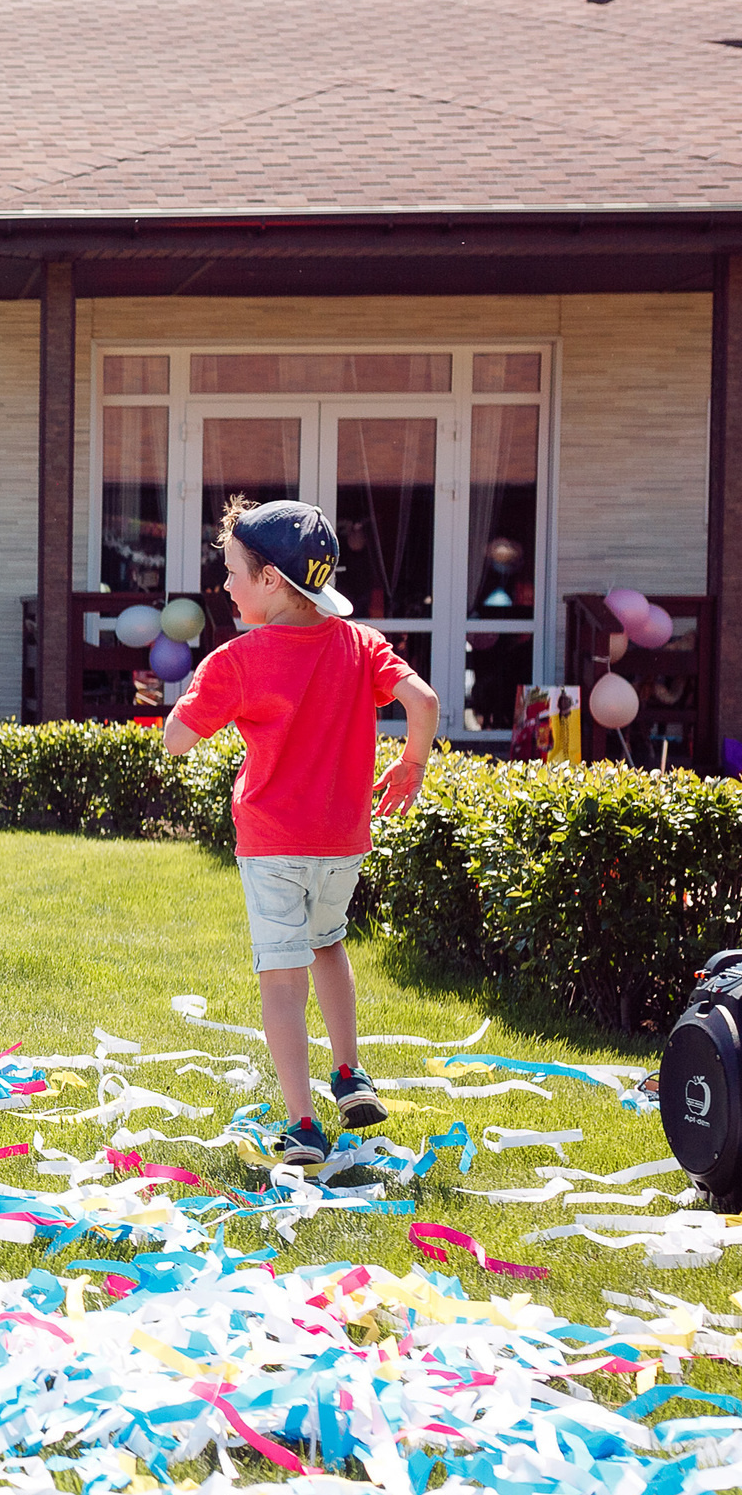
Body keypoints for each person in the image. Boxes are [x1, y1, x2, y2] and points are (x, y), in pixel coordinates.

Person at [162, 498, 440, 1164]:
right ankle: (350, 1073)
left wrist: (200, 683)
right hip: (342, 842)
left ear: (271, 580)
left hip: (273, 844)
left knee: (282, 981)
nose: (226, 584)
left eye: (233, 572)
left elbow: (176, 740)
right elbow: (423, 701)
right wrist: (411, 765)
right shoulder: (360, 644)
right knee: (329, 943)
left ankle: (303, 1125)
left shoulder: (237, 659)